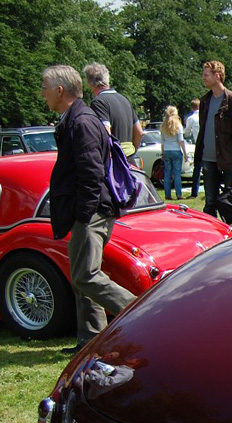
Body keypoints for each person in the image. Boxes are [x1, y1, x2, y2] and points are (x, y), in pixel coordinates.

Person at [41, 65, 135, 353]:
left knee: (86, 276)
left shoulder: (81, 122)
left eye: (44, 87)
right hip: (85, 211)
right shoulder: (75, 118)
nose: (42, 93)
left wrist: (84, 213)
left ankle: (145, 316)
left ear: (60, 90)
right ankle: (91, 340)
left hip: (91, 212)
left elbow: (92, 171)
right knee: (81, 276)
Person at [194, 61, 232, 217]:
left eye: (206, 75)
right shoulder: (204, 101)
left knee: (230, 201)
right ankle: (212, 235)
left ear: (217, 76)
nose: (203, 78)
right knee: (210, 201)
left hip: (228, 160)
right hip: (208, 159)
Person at [83, 62, 143, 158]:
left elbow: (106, 134)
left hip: (115, 160)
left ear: (90, 83)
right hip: (130, 160)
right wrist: (133, 152)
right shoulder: (125, 100)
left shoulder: (98, 102)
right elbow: (139, 132)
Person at [160, 106, 187, 200]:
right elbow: (181, 140)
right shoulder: (178, 125)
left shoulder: (163, 126)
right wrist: (185, 153)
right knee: (177, 173)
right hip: (176, 149)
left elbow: (162, 142)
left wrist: (162, 153)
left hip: (167, 150)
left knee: (167, 173)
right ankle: (178, 194)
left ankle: (167, 194)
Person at [183, 98, 202, 197]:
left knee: (197, 169)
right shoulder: (204, 115)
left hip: (198, 144)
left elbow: (187, 133)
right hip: (209, 143)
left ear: (192, 107)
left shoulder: (191, 118)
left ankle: (194, 192)